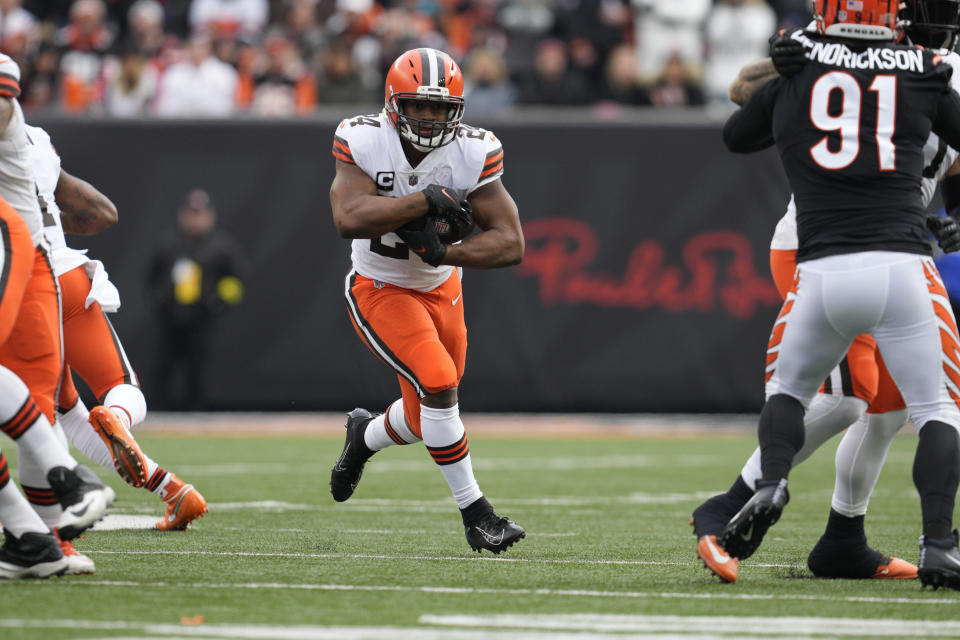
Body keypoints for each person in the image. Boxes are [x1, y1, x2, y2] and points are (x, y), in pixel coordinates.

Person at [693, 0, 960, 584]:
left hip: (839, 257)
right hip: (834, 246)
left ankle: (843, 537)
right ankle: (726, 506)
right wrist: (782, 62)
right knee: (852, 398)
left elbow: (742, 122)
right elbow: (745, 88)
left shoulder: (904, 60)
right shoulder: (927, 70)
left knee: (885, 412)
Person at [328, 47, 526, 554]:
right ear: (395, 104)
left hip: (441, 288)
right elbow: (348, 217)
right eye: (420, 107)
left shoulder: (474, 150)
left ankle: (364, 436)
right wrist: (424, 201)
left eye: (441, 109)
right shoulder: (364, 137)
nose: (431, 118)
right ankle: (477, 515)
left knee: (427, 413)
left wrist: (450, 251)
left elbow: (510, 242)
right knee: (438, 385)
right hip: (380, 286)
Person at [25, 123, 208, 544]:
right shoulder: (35, 138)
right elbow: (104, 213)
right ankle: (172, 489)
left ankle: (49, 528)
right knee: (116, 388)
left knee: (45, 413)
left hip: (24, 284)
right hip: (69, 274)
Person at [0, 52, 115, 576]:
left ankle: (70, 478)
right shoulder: (38, 142)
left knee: (48, 400)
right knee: (39, 402)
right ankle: (34, 541)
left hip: (15, 245)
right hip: (34, 253)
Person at [146, 189, 244, 411]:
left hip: (201, 319)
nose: (195, 219)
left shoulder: (221, 247)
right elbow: (150, 278)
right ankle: (158, 414)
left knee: (197, 369)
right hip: (171, 318)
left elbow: (235, 282)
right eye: (191, 213)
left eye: (200, 213)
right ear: (183, 215)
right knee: (163, 367)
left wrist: (218, 302)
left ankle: (196, 415)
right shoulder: (168, 244)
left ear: (210, 216)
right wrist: (159, 300)